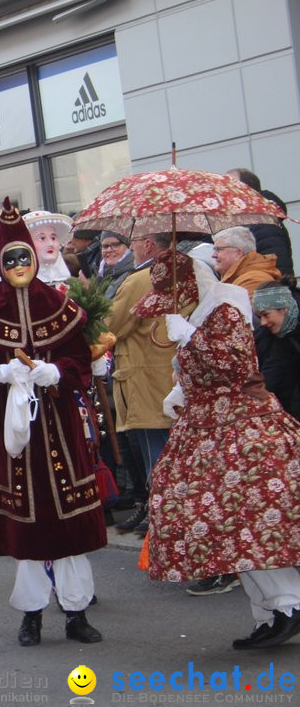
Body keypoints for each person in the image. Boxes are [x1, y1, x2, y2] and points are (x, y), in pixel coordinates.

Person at [0, 199, 106, 647]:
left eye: (26, 256)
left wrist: (56, 371)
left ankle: (77, 611)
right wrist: (0, 374)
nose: (21, 264)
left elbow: (80, 359)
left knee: (69, 525)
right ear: (1, 263)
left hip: (57, 425)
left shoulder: (57, 303)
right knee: (25, 527)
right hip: (11, 434)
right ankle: (33, 615)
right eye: (12, 258)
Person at [137, 250, 300, 649]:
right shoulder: (198, 317)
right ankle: (270, 611)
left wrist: (191, 337)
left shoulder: (226, 309)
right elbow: (199, 370)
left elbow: (234, 365)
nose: (171, 307)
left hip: (240, 429)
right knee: (220, 524)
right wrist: (179, 391)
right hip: (205, 428)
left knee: (242, 517)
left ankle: (288, 604)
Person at [106, 232, 175, 538]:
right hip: (170, 375)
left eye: (133, 241)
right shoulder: (184, 273)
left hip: (146, 378)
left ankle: (162, 514)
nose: (130, 246)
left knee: (154, 452)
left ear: (148, 244)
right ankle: (161, 510)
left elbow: (111, 325)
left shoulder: (139, 280)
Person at [226, 167, 293, 276]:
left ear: (248, 190)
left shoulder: (265, 221)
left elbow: (278, 269)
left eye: (231, 185)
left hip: (266, 290)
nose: (225, 190)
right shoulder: (244, 221)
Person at [254, 278, 300, 422]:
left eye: (266, 315)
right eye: (259, 316)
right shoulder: (266, 337)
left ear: (284, 309)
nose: (263, 322)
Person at [213, 226, 283, 303]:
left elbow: (244, 314)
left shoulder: (254, 279)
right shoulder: (239, 277)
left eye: (219, 249)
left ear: (238, 253)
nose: (213, 255)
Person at [22, 210, 74, 286]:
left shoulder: (74, 285)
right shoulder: (18, 289)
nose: (50, 244)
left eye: (53, 238)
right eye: (42, 238)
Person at [99, 231, 136, 298]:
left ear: (128, 247)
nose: (109, 250)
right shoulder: (103, 273)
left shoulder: (131, 274)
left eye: (115, 245)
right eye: (105, 246)